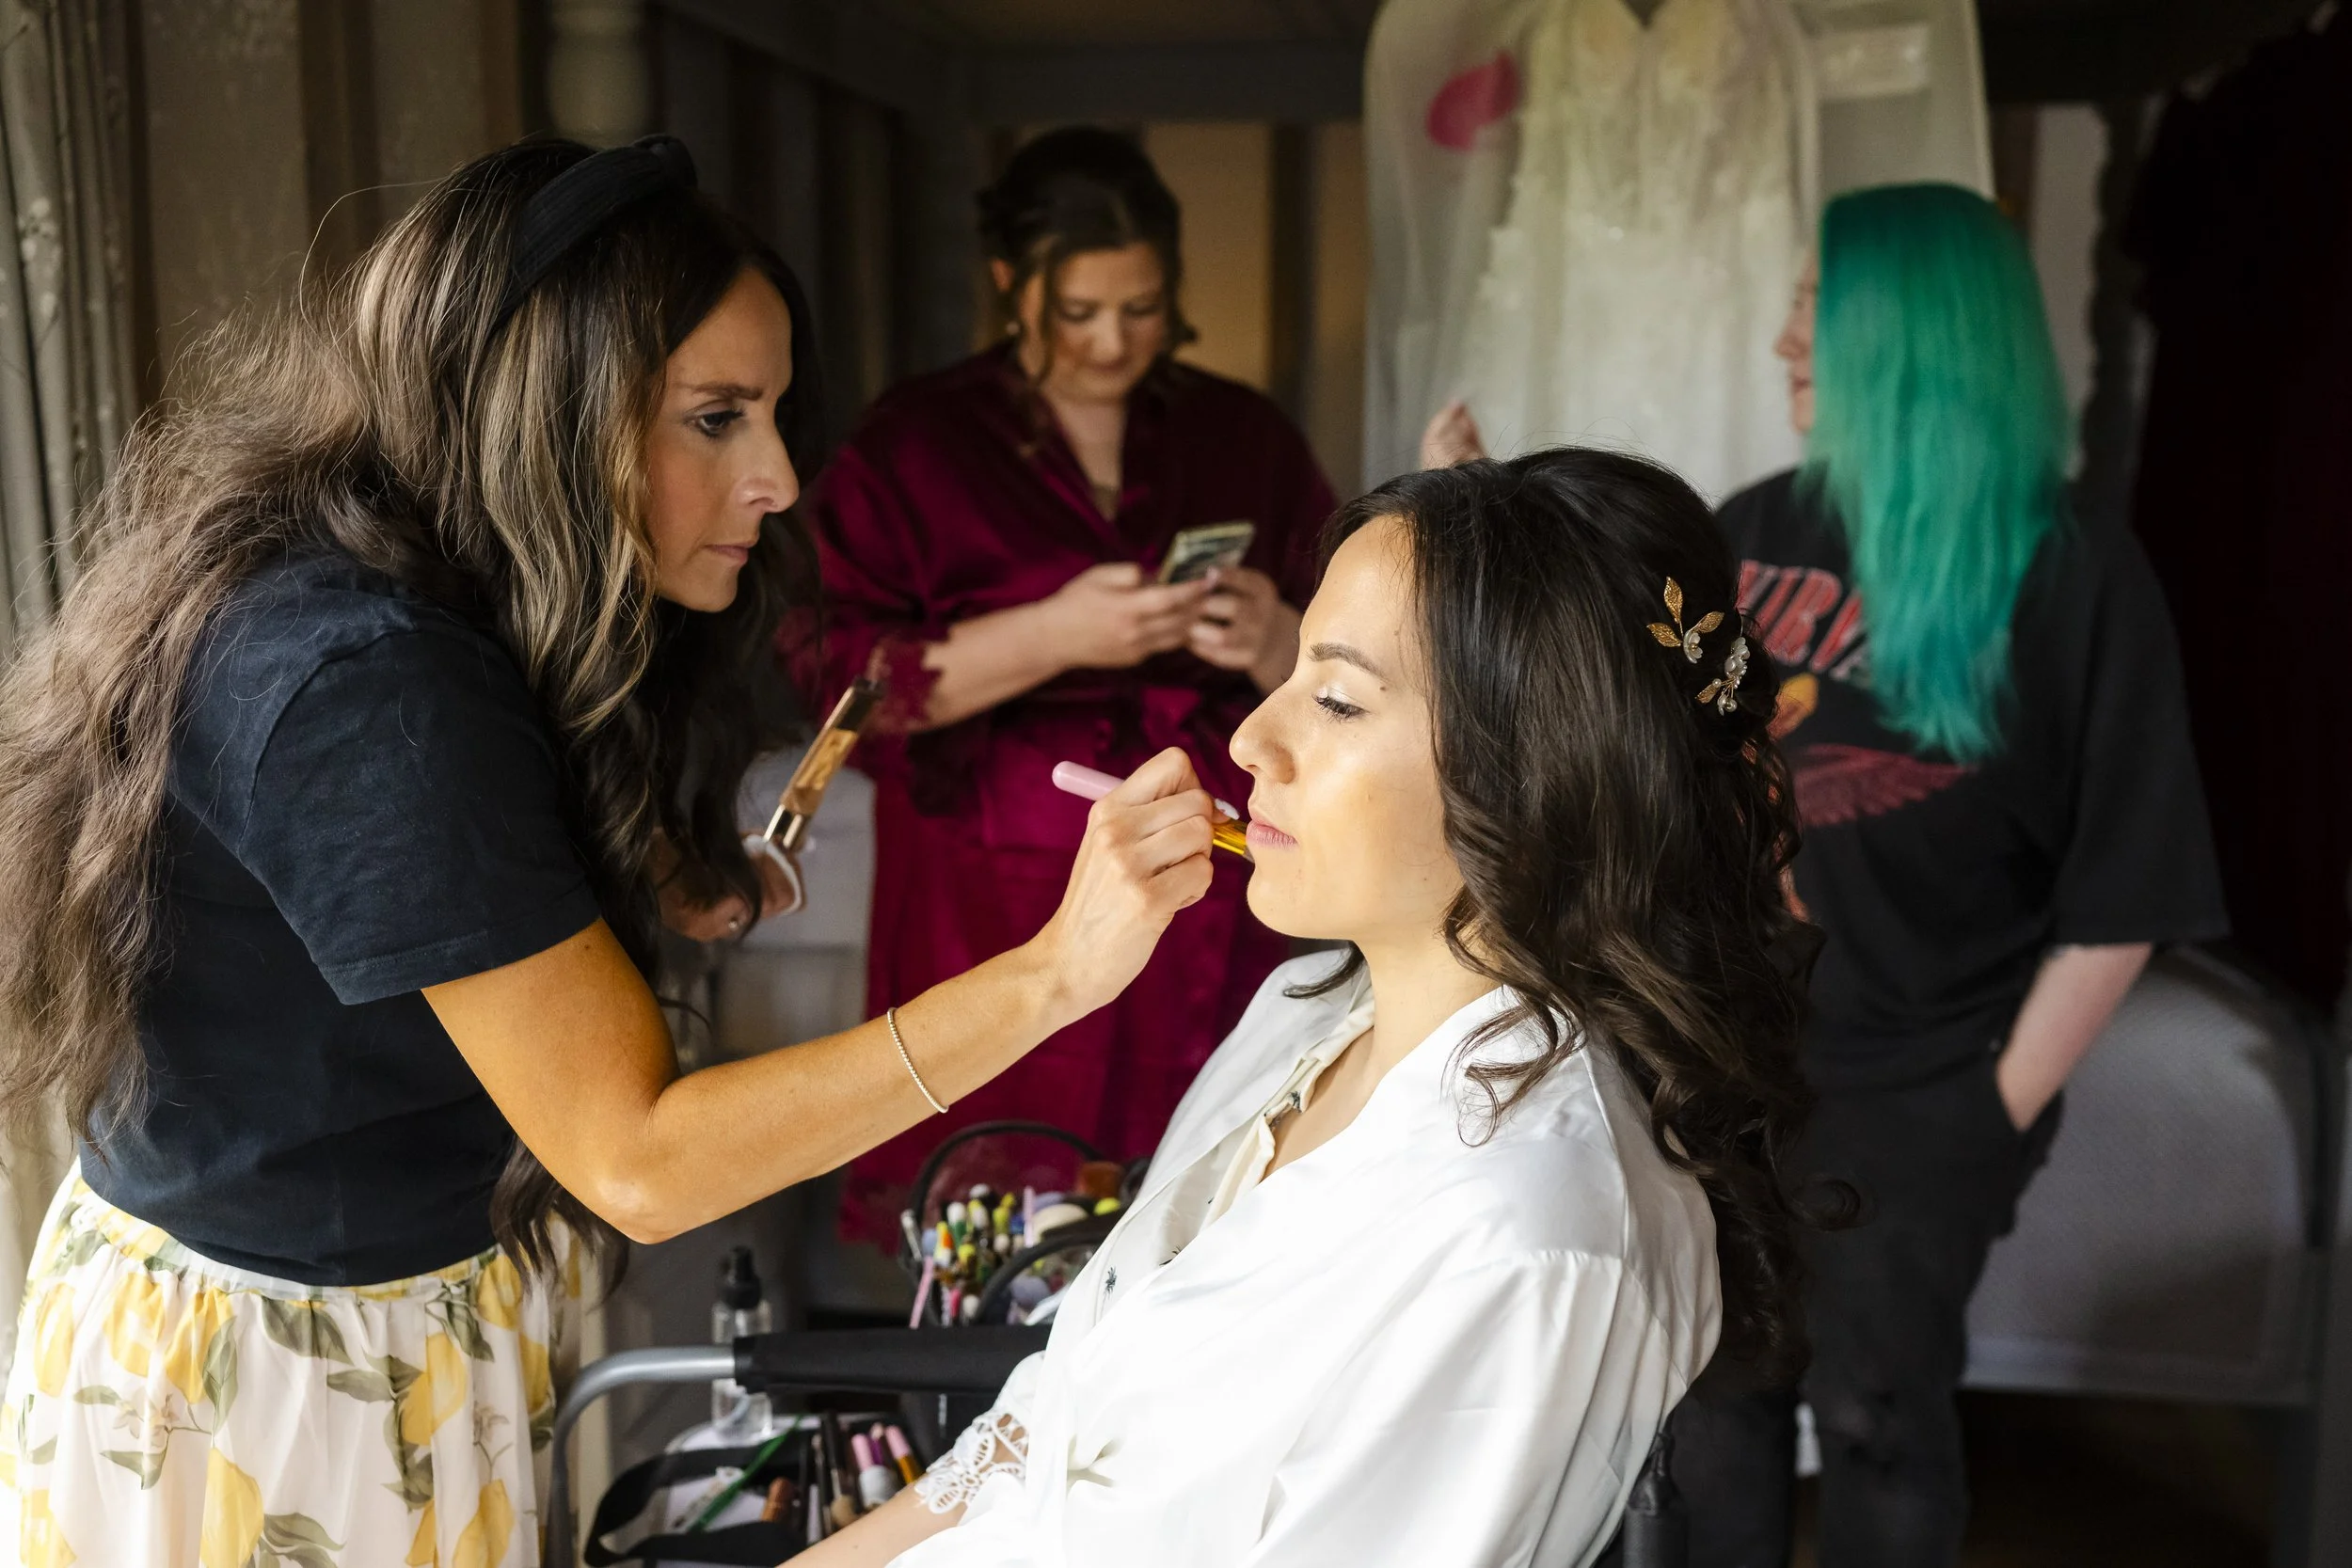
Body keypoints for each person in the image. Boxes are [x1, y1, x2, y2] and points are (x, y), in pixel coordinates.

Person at [0, 138, 1224, 1566]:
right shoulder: (362, 677)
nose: (775, 477)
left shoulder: (419, 586)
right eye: (715, 418)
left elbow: (390, 875)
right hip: (268, 1380)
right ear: (550, 413)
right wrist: (1054, 974)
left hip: (384, 1317)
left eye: (772, 414)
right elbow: (638, 1157)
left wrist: (625, 872)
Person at [796, 448, 1821, 1567]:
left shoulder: (1521, 1234)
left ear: (1536, 770)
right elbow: (1037, 1436)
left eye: (1334, 698)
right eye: (1286, 675)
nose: (1246, 741)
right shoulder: (1304, 1010)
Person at [1666, 183, 2230, 1567]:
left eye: (1814, 306)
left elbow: (2131, 887)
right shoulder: (1744, 530)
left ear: (1901, 338)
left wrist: (1987, 1112)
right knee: (1710, 1415)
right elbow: (1670, 781)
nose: (1785, 337)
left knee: (1875, 1411)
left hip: (1925, 1080)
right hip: (1731, 1064)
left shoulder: (2072, 572)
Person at [803, 127, 1337, 1244]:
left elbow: (1354, 641)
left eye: (1140, 308)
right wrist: (1048, 632)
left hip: (1209, 871)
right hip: (987, 893)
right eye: (1078, 310)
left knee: (1205, 1192)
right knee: (1001, 1201)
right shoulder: (916, 443)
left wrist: (1274, 633)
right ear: (1010, 281)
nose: (1111, 341)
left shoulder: (1242, 434)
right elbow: (835, 677)